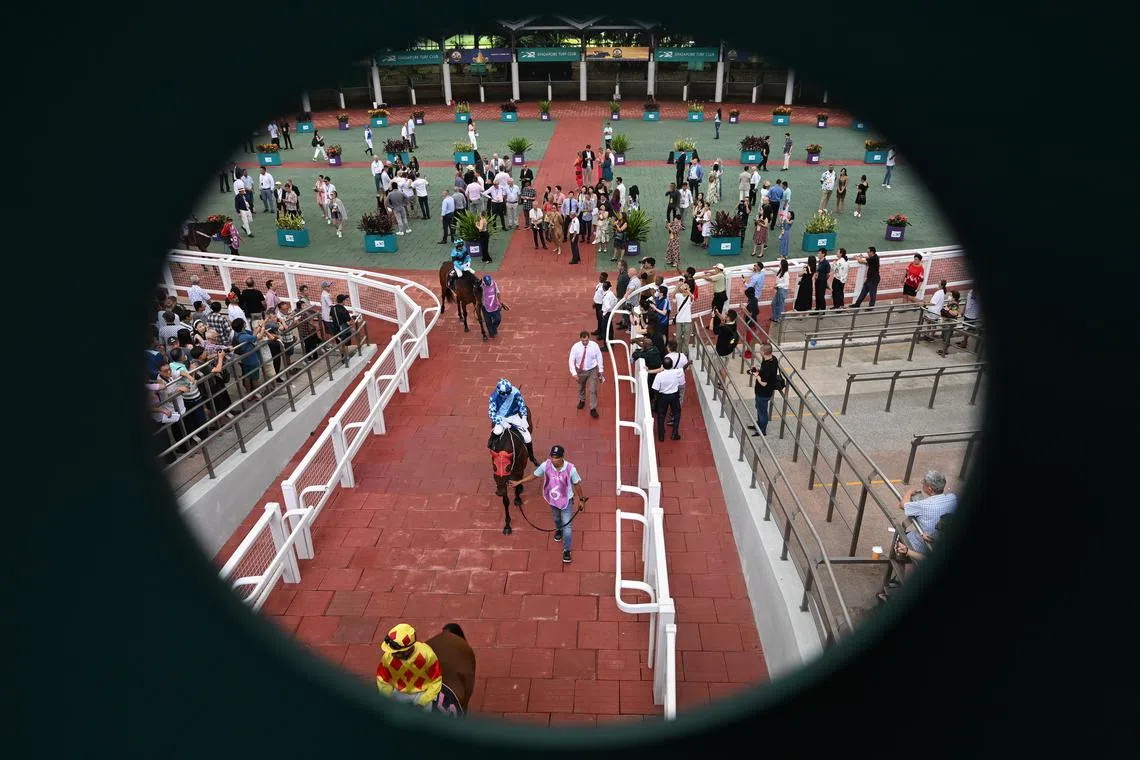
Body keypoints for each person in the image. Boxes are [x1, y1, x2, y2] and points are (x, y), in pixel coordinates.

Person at [509, 445, 586, 564]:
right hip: (553, 500)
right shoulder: (546, 465)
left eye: (556, 458)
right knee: (556, 518)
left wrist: (581, 500)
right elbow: (533, 476)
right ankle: (558, 530)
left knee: (568, 527)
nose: (554, 460)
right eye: (552, 457)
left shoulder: (571, 469)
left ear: (562, 457)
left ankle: (566, 550)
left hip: (566, 502)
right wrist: (518, 482)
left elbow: (577, 484)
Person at [487, 378, 537, 464]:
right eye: (504, 394)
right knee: (497, 431)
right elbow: (491, 414)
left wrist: (524, 417)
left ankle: (531, 457)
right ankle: (491, 443)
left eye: (508, 393)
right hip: (501, 417)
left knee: (527, 437)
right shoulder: (493, 396)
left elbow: (522, 405)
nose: (506, 395)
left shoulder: (515, 392)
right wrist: (502, 422)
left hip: (514, 416)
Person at [746, 343, 783, 436]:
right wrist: (758, 369)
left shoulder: (768, 366)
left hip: (763, 393)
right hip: (764, 392)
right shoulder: (772, 359)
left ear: (764, 352)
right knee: (759, 408)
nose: (759, 351)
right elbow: (766, 373)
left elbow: (764, 383)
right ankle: (759, 425)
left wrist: (756, 375)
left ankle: (762, 431)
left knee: (762, 411)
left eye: (761, 350)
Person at [481, 274, 503, 339]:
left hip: (495, 305)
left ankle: (494, 327)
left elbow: (498, 293)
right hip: (485, 307)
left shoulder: (494, 284)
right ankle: (491, 332)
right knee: (488, 322)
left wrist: (500, 301)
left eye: (489, 282)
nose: (488, 284)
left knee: (498, 319)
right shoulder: (481, 286)